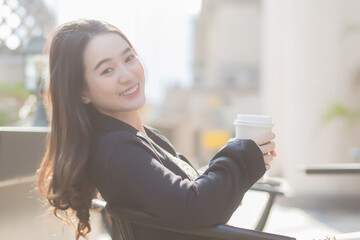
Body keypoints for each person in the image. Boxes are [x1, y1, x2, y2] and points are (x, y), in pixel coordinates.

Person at [37, 19, 276, 240]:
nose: (128, 75)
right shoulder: (118, 149)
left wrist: (245, 155)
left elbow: (187, 190)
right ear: (82, 92)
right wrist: (240, 156)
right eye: (107, 70)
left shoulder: (139, 138)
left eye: (129, 58)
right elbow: (195, 206)